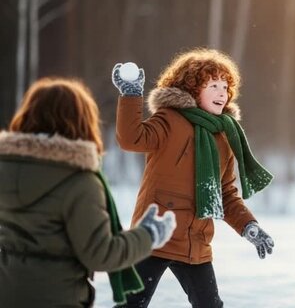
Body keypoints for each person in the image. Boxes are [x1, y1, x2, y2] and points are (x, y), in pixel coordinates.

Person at [112, 48, 274, 308]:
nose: (222, 93)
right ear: (192, 87)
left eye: (225, 86)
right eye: (213, 85)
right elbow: (132, 139)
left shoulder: (223, 135)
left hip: (195, 242)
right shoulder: (169, 119)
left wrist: (248, 226)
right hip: (156, 235)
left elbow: (225, 194)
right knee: (131, 305)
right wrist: (131, 94)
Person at [0, 78, 177, 308]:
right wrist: (148, 235)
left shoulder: (5, 169)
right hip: (58, 298)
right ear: (81, 120)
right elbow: (101, 253)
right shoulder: (79, 182)